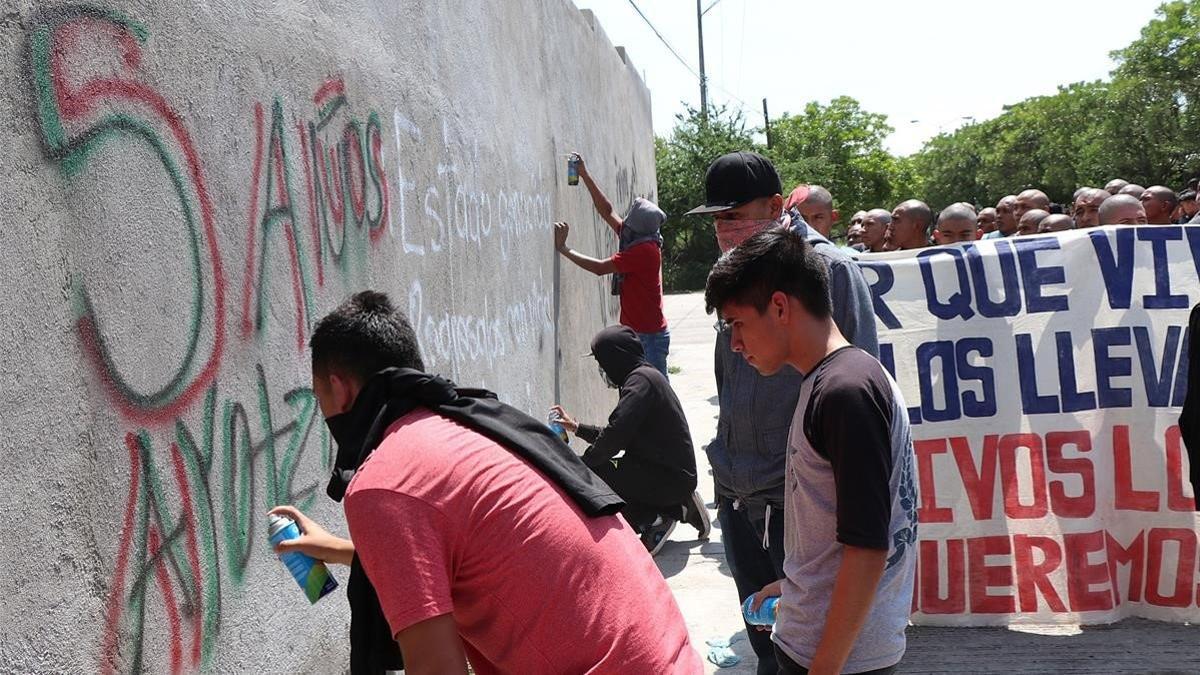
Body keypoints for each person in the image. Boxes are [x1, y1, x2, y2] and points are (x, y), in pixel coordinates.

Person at [272, 291, 701, 673]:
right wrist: (344, 552)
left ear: (338, 388)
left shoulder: (382, 482)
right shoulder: (478, 427)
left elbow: (436, 668)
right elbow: (469, 555)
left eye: (319, 397)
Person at [685, 151, 879, 675]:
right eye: (717, 220)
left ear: (775, 205)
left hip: (799, 503)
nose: (724, 230)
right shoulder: (733, 272)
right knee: (768, 644)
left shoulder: (828, 271)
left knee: (810, 650)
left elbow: (862, 386)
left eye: (734, 215)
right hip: (740, 494)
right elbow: (731, 382)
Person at [704, 228, 917, 675]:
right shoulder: (831, 380)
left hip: (838, 659)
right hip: (823, 644)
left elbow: (868, 549)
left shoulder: (845, 392)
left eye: (738, 323)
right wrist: (795, 586)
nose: (736, 343)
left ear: (780, 307)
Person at [551, 325, 709, 555]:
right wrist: (577, 428)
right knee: (605, 468)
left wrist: (580, 467)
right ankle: (680, 505)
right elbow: (619, 434)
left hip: (668, 478)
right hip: (669, 473)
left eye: (603, 361)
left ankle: (655, 519)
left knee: (597, 476)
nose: (602, 369)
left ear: (616, 358)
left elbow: (614, 438)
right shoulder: (642, 377)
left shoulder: (639, 383)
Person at [554, 153, 671, 377]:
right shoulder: (637, 237)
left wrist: (564, 249)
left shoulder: (645, 251)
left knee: (656, 395)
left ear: (637, 227)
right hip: (637, 333)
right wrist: (584, 174)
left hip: (649, 337)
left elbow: (600, 268)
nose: (623, 223)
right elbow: (607, 212)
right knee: (637, 391)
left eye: (629, 221)